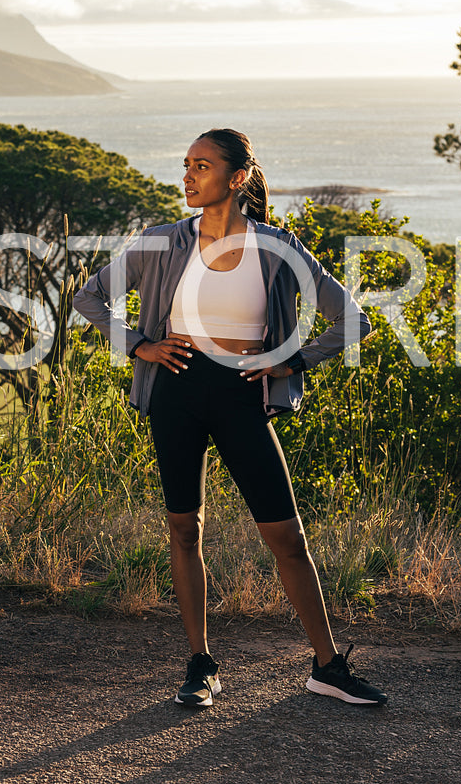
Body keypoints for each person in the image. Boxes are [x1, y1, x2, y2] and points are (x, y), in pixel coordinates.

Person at [72, 127, 388, 708]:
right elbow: (88, 298)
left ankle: (327, 667)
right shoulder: (161, 241)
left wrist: (293, 359)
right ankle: (200, 664)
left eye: (201, 165)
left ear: (236, 178)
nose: (187, 176)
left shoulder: (279, 247)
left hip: (244, 395)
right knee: (184, 528)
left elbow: (353, 321)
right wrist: (141, 345)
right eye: (186, 165)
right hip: (177, 391)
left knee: (287, 538)